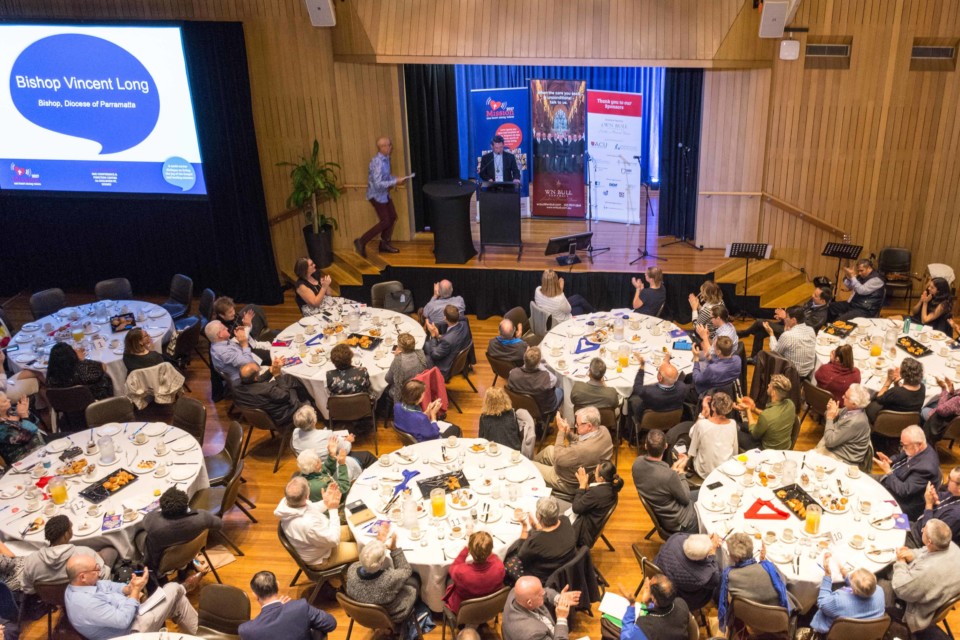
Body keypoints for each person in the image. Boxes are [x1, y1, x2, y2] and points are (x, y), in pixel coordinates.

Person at [64, 556, 198, 640]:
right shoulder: (85, 604)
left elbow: (109, 586)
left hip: (133, 613)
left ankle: (201, 637)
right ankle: (185, 586)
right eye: (96, 569)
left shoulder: (80, 585)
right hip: (130, 633)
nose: (100, 572)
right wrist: (135, 592)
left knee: (178, 602)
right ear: (82, 577)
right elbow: (123, 620)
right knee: (173, 587)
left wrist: (129, 587)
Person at [888, 519, 960, 637]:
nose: (921, 530)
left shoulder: (927, 571)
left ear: (930, 541)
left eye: (924, 530)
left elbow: (900, 588)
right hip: (938, 594)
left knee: (878, 584)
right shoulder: (951, 546)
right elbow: (925, 551)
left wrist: (900, 562)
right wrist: (912, 554)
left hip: (915, 610)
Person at [344, 524, 421, 626]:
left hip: (361, 614)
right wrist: (394, 549)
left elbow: (367, 560)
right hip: (390, 616)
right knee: (414, 579)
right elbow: (406, 570)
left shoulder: (352, 569)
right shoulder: (388, 579)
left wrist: (378, 544)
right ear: (381, 563)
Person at [274, 477, 357, 570]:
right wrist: (333, 509)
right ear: (307, 496)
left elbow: (311, 508)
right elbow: (334, 540)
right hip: (324, 557)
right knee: (363, 549)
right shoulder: (308, 524)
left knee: (357, 528)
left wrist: (326, 501)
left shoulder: (289, 504)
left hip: (323, 538)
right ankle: (336, 580)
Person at [716, 533, 792, 633]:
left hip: (748, 618)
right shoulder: (770, 568)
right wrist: (764, 563)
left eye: (730, 553)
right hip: (776, 621)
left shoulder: (729, 576)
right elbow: (783, 585)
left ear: (737, 558)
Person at [21, 516, 115, 595]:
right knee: (110, 551)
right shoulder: (84, 553)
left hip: (54, 600)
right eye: (71, 528)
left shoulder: (31, 561)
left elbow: (28, 589)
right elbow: (104, 576)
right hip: (87, 596)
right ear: (66, 534)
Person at [140, 487, 221, 576]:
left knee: (139, 535)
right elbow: (219, 524)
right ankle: (184, 566)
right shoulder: (202, 517)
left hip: (160, 562)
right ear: (186, 505)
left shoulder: (154, 523)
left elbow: (145, 520)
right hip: (191, 552)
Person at [533, 407, 614, 495]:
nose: (575, 426)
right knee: (548, 450)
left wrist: (561, 432)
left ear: (589, 426)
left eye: (578, 424)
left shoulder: (580, 450)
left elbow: (558, 458)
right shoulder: (603, 430)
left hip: (567, 481)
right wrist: (568, 433)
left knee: (530, 465)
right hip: (580, 468)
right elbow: (580, 440)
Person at [632, 430, 698, 535]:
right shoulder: (669, 476)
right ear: (666, 446)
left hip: (664, 514)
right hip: (681, 522)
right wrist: (681, 472)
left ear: (645, 446)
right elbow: (685, 499)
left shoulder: (637, 464)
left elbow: (659, 479)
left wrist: (673, 470)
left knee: (702, 492)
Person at [238, 570, 337, 640]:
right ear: (277, 585)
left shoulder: (246, 630)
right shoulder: (300, 607)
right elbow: (331, 623)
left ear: (254, 595)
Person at [739, 287, 832, 357]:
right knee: (760, 331)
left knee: (760, 322)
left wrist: (786, 318)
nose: (812, 296)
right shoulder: (813, 301)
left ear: (823, 300)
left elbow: (802, 325)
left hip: (795, 334)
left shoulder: (821, 316)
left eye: (815, 296)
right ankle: (754, 357)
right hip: (789, 324)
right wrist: (785, 316)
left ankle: (744, 333)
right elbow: (799, 311)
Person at [355, 136, 407, 258]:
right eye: (389, 145)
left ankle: (384, 244)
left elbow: (386, 177)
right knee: (386, 221)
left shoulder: (386, 158)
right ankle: (361, 241)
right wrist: (395, 182)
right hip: (376, 195)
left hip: (383, 194)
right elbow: (378, 184)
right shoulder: (377, 162)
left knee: (393, 217)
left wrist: (396, 179)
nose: (391, 147)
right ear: (382, 147)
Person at [875, 425, 942, 520]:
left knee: (871, 502)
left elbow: (903, 490)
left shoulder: (926, 468)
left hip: (904, 502)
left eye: (905, 445)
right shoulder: (916, 448)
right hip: (893, 480)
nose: (902, 448)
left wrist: (888, 472)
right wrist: (890, 460)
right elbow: (901, 456)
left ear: (920, 445)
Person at [809, 557, 885, 635]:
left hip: (839, 633)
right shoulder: (879, 591)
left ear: (854, 590)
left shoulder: (839, 601)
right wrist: (845, 574)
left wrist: (827, 575)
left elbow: (822, 602)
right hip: (867, 632)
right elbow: (864, 587)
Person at [289, 405, 375, 474]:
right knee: (367, 456)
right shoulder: (326, 435)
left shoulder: (295, 433)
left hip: (309, 468)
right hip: (331, 468)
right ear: (313, 421)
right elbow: (345, 450)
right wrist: (348, 441)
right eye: (314, 413)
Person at [517, 497, 578, 584]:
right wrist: (535, 525)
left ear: (539, 516)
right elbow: (549, 534)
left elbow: (520, 555)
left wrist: (524, 527)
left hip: (545, 577)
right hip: (566, 570)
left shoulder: (535, 541)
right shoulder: (565, 520)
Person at [654, 533, 722, 611]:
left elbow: (688, 536)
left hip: (659, 573)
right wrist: (712, 554)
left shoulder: (676, 539)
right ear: (700, 559)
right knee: (720, 575)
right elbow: (715, 580)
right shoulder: (701, 575)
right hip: (681, 596)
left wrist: (703, 540)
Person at [679, 392, 739, 479]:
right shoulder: (733, 423)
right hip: (725, 470)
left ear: (713, 406)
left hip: (704, 472)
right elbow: (735, 450)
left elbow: (692, 435)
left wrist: (703, 414)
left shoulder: (702, 424)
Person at [233, 361, 310, 428]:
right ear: (255, 377)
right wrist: (277, 375)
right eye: (259, 372)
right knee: (293, 387)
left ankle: (306, 400)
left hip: (259, 415)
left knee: (288, 378)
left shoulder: (236, 387)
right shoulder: (267, 390)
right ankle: (305, 405)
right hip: (281, 415)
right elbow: (286, 395)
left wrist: (271, 370)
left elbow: (256, 380)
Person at [444, 531, 506, 614]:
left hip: (466, 611)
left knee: (448, 579)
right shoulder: (499, 566)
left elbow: (452, 567)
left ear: (471, 551)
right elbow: (493, 556)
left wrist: (466, 547)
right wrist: (483, 548)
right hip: (491, 607)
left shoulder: (462, 573)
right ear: (491, 549)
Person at [501, 576, 580, 640]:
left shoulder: (516, 593)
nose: (544, 593)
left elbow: (542, 591)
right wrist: (561, 619)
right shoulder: (533, 634)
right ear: (530, 602)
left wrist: (559, 598)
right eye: (541, 595)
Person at [618, 576, 691, 640]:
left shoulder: (646, 626)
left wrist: (632, 604)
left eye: (649, 586)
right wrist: (646, 603)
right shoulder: (681, 603)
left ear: (654, 598)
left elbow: (626, 637)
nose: (648, 581)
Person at [734, 375, 796, 451]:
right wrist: (754, 409)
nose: (768, 385)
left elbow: (754, 434)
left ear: (773, 392)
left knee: (734, 432)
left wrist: (747, 410)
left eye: (770, 385)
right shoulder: (791, 404)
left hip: (767, 451)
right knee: (743, 425)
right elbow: (771, 417)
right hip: (784, 447)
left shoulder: (766, 416)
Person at [816, 384, 872, 465]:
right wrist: (829, 411)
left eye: (846, 397)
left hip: (843, 457)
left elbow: (830, 442)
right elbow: (830, 416)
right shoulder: (851, 409)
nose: (842, 397)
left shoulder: (855, 422)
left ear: (854, 404)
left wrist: (830, 418)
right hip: (837, 445)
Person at [571, 461, 623, 547]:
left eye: (595, 471)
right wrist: (586, 487)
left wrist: (582, 486)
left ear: (601, 479)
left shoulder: (596, 493)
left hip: (583, 534)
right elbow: (594, 500)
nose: (594, 472)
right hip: (594, 525)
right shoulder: (612, 488)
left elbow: (576, 508)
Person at [628, 353, 689, 425]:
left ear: (660, 378)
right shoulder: (683, 387)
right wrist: (666, 362)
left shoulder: (649, 391)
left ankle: (628, 431)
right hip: (671, 419)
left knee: (631, 399)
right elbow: (672, 376)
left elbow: (637, 387)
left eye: (658, 371)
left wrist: (642, 366)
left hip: (649, 421)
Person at [393, 380, 462, 441]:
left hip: (410, 434)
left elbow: (412, 420)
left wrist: (428, 411)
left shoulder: (397, 406)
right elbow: (434, 434)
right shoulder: (422, 419)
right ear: (419, 398)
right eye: (423, 394)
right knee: (456, 429)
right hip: (423, 443)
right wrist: (433, 416)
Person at [865, 357, 926, 423]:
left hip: (887, 422)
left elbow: (879, 398)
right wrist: (896, 384)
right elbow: (904, 396)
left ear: (903, 374)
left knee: (872, 400)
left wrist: (888, 380)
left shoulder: (895, 392)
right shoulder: (922, 387)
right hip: (907, 422)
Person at [909, 468, 960, 546]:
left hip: (917, 542)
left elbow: (930, 537)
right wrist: (934, 498)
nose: (946, 479)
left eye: (950, 478)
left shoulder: (955, 516)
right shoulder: (953, 493)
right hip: (915, 526)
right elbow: (941, 496)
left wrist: (929, 505)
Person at [508, 347, 563, 417]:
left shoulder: (513, 373)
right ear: (538, 363)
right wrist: (541, 366)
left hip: (520, 403)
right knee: (560, 391)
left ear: (524, 359)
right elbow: (554, 380)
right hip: (543, 408)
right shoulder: (545, 378)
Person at [47, 342, 113, 400]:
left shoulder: (51, 378)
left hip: (68, 409)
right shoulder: (84, 369)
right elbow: (103, 366)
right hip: (94, 405)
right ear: (72, 355)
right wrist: (81, 360)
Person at [763, 306, 817, 378]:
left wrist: (771, 333)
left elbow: (775, 352)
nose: (785, 319)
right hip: (807, 374)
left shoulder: (788, 335)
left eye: (787, 317)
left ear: (794, 320)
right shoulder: (811, 330)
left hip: (791, 375)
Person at [423, 305, 472, 380]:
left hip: (445, 368)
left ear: (445, 318)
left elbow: (434, 355)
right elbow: (453, 339)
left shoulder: (447, 340)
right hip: (454, 354)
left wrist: (433, 336)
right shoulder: (464, 324)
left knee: (423, 358)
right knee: (426, 344)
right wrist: (437, 335)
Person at [206, 320, 258, 384]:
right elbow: (249, 362)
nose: (227, 328)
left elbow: (233, 348)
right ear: (220, 334)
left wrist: (241, 336)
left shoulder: (218, 343)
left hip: (249, 364)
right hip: (246, 379)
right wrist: (244, 344)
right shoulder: (224, 353)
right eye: (224, 328)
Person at [0, 391, 44, 464]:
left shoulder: (12, 411)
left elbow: (36, 421)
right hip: (24, 459)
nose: (9, 400)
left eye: (7, 398)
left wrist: (27, 412)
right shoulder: (1, 429)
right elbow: (25, 437)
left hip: (40, 446)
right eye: (5, 401)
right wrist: (24, 416)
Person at [385, 332, 429, 404]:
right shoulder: (421, 353)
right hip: (418, 387)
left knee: (384, 389)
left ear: (400, 347)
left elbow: (388, 379)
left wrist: (396, 357)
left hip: (405, 393)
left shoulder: (398, 361)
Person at [478, 387, 524, 451]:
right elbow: (517, 434)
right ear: (505, 399)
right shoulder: (512, 413)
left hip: (494, 451)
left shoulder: (484, 417)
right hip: (514, 450)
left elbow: (481, 439)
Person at [922, 374, 960, 445]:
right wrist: (951, 391)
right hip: (954, 423)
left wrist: (944, 389)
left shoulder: (957, 400)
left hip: (942, 423)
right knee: (932, 402)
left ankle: (923, 439)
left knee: (923, 408)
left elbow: (940, 410)